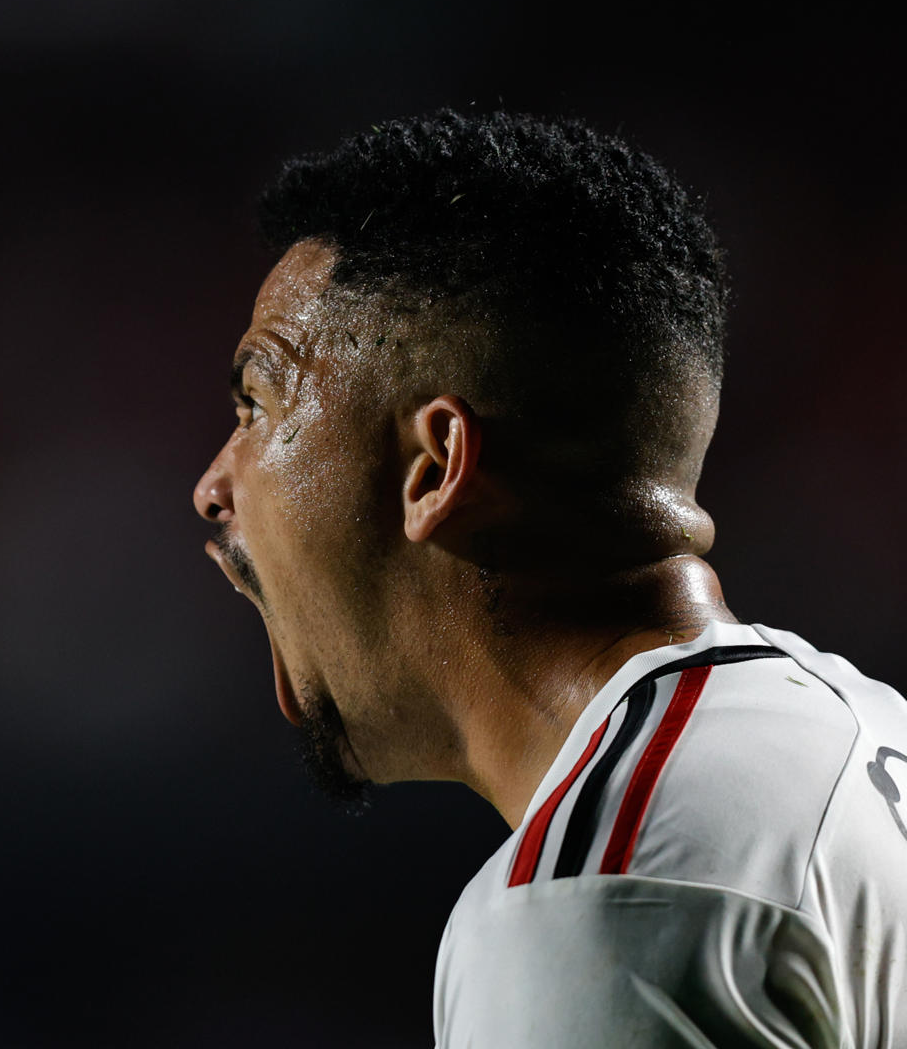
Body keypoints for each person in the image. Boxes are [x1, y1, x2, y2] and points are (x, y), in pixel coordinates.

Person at [191, 109, 906, 1046]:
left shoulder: (604, 894)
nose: (211, 488)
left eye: (257, 402)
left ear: (435, 468)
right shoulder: (868, 734)